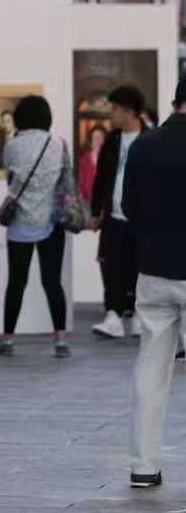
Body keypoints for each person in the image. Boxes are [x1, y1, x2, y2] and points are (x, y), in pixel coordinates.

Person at [124, 78, 186, 489]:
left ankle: (144, 465)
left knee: (151, 370)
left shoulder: (144, 145)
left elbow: (128, 207)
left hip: (154, 270)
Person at [0, 96, 73, 359]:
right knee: (53, 283)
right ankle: (61, 340)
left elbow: (10, 180)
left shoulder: (11, 146)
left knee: (16, 283)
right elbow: (66, 182)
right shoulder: (59, 144)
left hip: (19, 225)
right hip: (51, 223)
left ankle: (7, 340)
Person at [90, 85, 148, 340]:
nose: (111, 115)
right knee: (110, 264)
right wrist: (95, 211)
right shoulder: (112, 140)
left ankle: (136, 317)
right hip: (113, 215)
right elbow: (101, 178)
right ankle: (112, 316)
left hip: (142, 218)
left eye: (114, 109)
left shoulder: (150, 139)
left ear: (128, 111)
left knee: (139, 267)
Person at [77, 125, 106, 205]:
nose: (98, 141)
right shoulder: (84, 161)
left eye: (101, 138)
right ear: (91, 142)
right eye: (96, 138)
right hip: (88, 207)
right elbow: (80, 188)